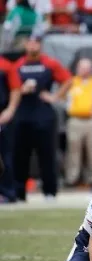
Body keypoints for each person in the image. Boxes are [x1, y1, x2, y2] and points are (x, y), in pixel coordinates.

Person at [13, 34, 72, 201]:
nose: (32, 46)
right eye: (30, 43)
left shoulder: (49, 62)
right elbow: (11, 86)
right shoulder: (18, 64)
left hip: (44, 115)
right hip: (22, 114)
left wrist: (55, 96)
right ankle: (19, 193)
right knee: (20, 155)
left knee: (47, 154)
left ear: (40, 45)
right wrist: (20, 90)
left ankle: (50, 192)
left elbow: (67, 79)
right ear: (26, 45)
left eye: (36, 43)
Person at [65, 58, 92, 187]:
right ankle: (72, 178)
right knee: (73, 151)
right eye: (82, 67)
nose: (84, 70)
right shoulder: (71, 82)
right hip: (75, 120)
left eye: (87, 67)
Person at [0, 56, 22, 202]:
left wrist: (10, 110)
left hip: (2, 115)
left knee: (6, 155)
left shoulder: (6, 65)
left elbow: (15, 89)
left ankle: (8, 192)